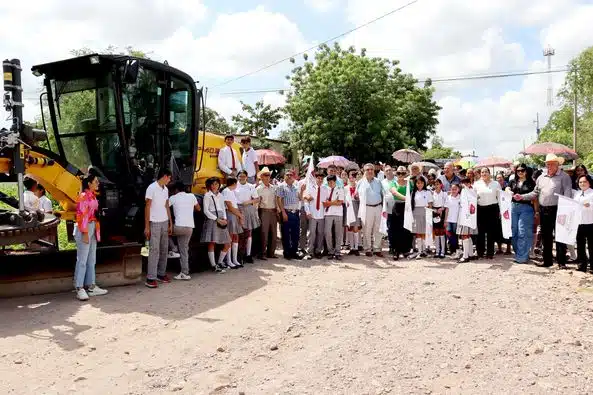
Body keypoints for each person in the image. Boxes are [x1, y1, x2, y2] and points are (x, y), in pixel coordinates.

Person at [515, 154, 573, 268]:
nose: (549, 166)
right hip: (544, 209)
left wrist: (566, 210)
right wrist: (522, 197)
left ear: (558, 164)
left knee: (560, 235)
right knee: (546, 236)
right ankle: (547, 261)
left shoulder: (564, 176)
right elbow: (535, 193)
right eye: (547, 164)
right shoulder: (541, 177)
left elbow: (568, 194)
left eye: (552, 164)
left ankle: (561, 262)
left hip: (559, 209)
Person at [73, 174, 108, 301]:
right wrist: (85, 232)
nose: (98, 183)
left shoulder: (92, 195)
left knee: (91, 258)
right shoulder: (83, 197)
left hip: (92, 227)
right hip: (86, 228)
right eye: (95, 181)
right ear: (89, 183)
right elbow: (81, 215)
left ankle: (91, 286)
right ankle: (79, 287)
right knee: (82, 259)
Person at [144, 168, 173, 288]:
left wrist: (170, 222)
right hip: (154, 222)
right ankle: (150, 277)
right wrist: (147, 226)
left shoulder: (165, 189)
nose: (170, 180)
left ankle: (161, 274)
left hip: (164, 221)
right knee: (154, 250)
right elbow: (147, 207)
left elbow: (166, 206)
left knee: (164, 249)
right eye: (169, 177)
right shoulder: (151, 188)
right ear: (164, 176)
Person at [168, 181, 201, 280]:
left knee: (162, 231)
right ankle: (185, 273)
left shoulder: (173, 198)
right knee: (184, 251)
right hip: (189, 228)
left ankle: (173, 249)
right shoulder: (191, 196)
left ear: (176, 190)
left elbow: (164, 208)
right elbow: (198, 209)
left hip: (178, 227)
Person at [507, 164, 536, 264]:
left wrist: (523, 197)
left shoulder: (531, 183)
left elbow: (534, 196)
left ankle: (522, 257)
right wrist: (508, 190)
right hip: (513, 208)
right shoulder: (512, 181)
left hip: (526, 208)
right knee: (514, 232)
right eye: (518, 170)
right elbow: (507, 188)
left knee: (523, 232)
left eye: (522, 170)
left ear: (526, 171)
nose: (520, 172)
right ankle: (519, 253)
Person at [201, 177, 232, 272]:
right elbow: (206, 211)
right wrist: (217, 219)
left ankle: (219, 262)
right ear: (209, 185)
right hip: (212, 219)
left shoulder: (221, 195)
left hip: (221, 218)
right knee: (212, 242)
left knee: (227, 243)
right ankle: (213, 265)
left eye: (216, 184)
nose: (214, 186)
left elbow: (223, 208)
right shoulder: (207, 195)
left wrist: (225, 219)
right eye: (213, 184)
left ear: (219, 185)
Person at [357, 163, 385, 257]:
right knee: (367, 229)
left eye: (371, 169)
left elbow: (382, 194)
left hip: (378, 207)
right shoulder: (360, 182)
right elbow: (356, 196)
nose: (370, 171)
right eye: (367, 170)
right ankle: (367, 248)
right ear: (364, 171)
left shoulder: (378, 181)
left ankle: (377, 248)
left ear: (374, 171)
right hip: (367, 208)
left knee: (378, 228)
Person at [473, 167, 501, 259]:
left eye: (486, 172)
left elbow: (500, 198)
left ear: (489, 173)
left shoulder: (496, 184)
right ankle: (480, 252)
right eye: (482, 172)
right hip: (480, 209)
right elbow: (473, 197)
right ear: (480, 174)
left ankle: (490, 253)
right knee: (480, 232)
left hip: (493, 209)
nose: (484, 173)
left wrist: (501, 211)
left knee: (491, 232)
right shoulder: (476, 184)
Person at [277, 170, 304, 260]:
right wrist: (283, 212)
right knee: (286, 234)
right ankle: (287, 252)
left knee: (295, 234)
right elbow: (279, 200)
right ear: (284, 176)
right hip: (287, 212)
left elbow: (300, 198)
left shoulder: (295, 187)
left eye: (291, 175)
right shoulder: (281, 186)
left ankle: (294, 251)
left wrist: (302, 191)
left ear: (293, 177)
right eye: (287, 175)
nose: (289, 176)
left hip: (295, 213)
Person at [236, 170, 260, 263]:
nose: (242, 178)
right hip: (237, 210)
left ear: (246, 177)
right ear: (238, 177)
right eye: (240, 176)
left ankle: (248, 255)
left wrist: (249, 202)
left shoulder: (251, 186)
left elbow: (257, 199)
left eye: (243, 176)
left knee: (248, 233)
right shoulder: (234, 186)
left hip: (248, 209)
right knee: (239, 234)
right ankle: (239, 255)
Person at [389, 166, 412, 260]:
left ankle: (405, 250)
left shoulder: (410, 183)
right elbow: (394, 193)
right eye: (399, 173)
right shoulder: (393, 183)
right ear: (396, 174)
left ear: (406, 174)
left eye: (403, 173)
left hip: (407, 208)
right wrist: (407, 198)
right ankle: (396, 250)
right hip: (397, 207)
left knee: (406, 229)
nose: (401, 175)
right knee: (396, 229)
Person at [303, 171, 327, 259]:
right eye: (318, 178)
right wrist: (308, 212)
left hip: (322, 214)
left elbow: (327, 201)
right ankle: (310, 251)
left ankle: (318, 251)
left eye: (321, 179)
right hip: (312, 214)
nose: (320, 180)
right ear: (315, 178)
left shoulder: (325, 189)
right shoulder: (310, 187)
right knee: (312, 233)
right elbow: (306, 200)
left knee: (320, 233)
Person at [222, 177, 244, 269]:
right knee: (230, 238)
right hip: (231, 215)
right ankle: (229, 261)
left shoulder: (231, 191)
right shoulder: (226, 191)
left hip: (235, 215)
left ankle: (234, 260)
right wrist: (240, 215)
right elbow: (230, 207)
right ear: (234, 183)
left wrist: (239, 215)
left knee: (235, 237)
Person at [256, 167, 278, 259]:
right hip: (263, 211)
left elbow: (276, 200)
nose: (268, 177)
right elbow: (257, 203)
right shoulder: (258, 189)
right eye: (266, 175)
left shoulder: (273, 188)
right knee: (264, 233)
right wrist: (257, 215)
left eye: (269, 175)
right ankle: (262, 253)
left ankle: (271, 253)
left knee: (274, 233)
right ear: (261, 177)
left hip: (273, 211)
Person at [410, 175, 433, 259]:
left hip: (425, 212)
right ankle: (419, 251)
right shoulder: (413, 192)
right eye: (418, 183)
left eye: (421, 183)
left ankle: (424, 250)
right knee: (418, 233)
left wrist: (429, 215)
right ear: (416, 184)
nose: (420, 185)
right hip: (416, 213)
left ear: (424, 183)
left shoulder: (428, 192)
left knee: (424, 232)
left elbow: (430, 204)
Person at [574, 174, 593, 272]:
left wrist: (589, 205)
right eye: (580, 182)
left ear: (589, 182)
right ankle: (582, 265)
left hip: (591, 222)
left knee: (591, 245)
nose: (582, 184)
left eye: (584, 181)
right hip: (579, 223)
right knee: (580, 245)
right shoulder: (577, 194)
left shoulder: (592, 193)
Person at [324, 175, 345, 260]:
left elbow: (340, 202)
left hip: (338, 214)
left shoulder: (340, 189)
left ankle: (337, 252)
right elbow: (324, 203)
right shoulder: (325, 189)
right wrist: (334, 201)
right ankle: (330, 251)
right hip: (328, 214)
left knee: (338, 234)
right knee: (327, 233)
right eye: (328, 182)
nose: (330, 184)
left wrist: (329, 202)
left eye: (332, 182)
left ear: (335, 181)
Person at [457, 177, 478, 263]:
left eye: (467, 183)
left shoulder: (470, 191)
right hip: (466, 216)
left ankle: (466, 256)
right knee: (467, 235)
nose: (465, 185)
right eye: (463, 183)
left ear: (470, 183)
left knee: (465, 235)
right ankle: (470, 254)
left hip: (467, 217)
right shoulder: (466, 191)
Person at [345, 170, 362, 256]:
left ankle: (356, 247)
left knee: (356, 228)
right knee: (350, 228)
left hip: (357, 209)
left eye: (353, 177)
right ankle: (351, 247)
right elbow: (344, 198)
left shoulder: (359, 187)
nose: (352, 179)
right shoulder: (346, 188)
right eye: (350, 177)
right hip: (349, 210)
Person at [381, 165, 396, 255]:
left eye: (390, 170)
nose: (389, 172)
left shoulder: (397, 180)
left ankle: (398, 246)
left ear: (393, 171)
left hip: (398, 207)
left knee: (398, 227)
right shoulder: (382, 182)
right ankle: (391, 246)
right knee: (390, 228)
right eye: (387, 170)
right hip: (387, 208)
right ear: (384, 172)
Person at [445, 183, 461, 258]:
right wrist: (445, 220)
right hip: (449, 220)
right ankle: (453, 251)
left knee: (455, 236)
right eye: (452, 189)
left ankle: (456, 250)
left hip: (456, 220)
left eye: (455, 189)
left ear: (458, 190)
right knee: (450, 236)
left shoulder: (460, 198)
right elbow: (447, 209)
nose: (453, 191)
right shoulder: (448, 198)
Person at [432, 179, 447, 258]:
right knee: (436, 233)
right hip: (434, 213)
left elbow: (446, 204)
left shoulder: (444, 194)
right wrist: (434, 210)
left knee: (442, 233)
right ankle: (437, 251)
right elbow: (430, 203)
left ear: (441, 185)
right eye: (435, 184)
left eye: (438, 184)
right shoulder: (432, 193)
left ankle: (443, 251)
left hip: (441, 213)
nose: (437, 186)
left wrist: (442, 209)